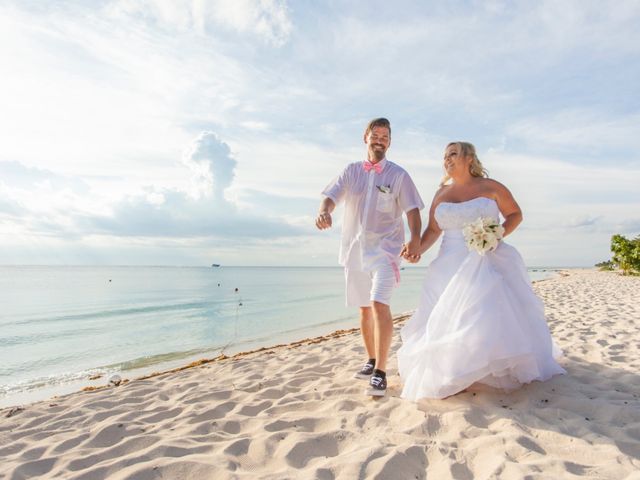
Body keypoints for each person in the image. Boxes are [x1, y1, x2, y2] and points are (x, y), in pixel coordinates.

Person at [397, 141, 565, 400]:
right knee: (447, 319)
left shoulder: (492, 187)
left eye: (453, 154)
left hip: (487, 258)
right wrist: (416, 248)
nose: (447, 160)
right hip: (447, 264)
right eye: (444, 156)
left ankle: (486, 369)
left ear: (469, 158)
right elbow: (433, 230)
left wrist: (495, 235)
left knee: (482, 313)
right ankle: (455, 370)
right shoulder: (441, 194)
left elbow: (515, 214)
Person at [316, 118, 424, 396]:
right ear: (365, 137)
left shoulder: (399, 175)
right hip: (355, 250)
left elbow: (413, 210)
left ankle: (380, 373)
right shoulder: (352, 171)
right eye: (375, 135)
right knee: (364, 308)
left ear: (390, 141)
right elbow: (331, 196)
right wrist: (325, 211)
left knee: (378, 303)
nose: (380, 140)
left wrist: (415, 240)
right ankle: (372, 359)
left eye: (385, 136)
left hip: (386, 251)